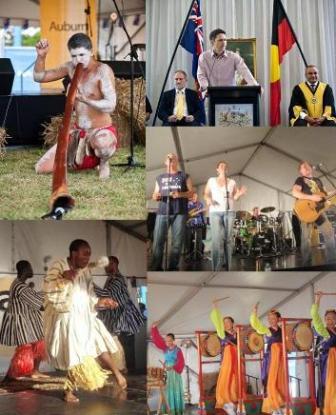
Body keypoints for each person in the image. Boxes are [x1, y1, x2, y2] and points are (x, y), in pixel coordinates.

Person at [43, 239, 126, 403]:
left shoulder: (87, 272)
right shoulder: (59, 266)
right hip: (69, 317)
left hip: (86, 316)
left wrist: (101, 302)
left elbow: (90, 295)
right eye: (85, 254)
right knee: (77, 356)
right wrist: (64, 277)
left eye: (89, 254)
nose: (88, 258)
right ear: (74, 253)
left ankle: (118, 374)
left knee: (99, 343)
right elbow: (48, 288)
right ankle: (68, 392)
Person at [33, 33, 117, 180]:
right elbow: (39, 77)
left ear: (91, 51)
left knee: (102, 144)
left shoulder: (102, 70)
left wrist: (84, 99)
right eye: (74, 55)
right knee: (41, 168)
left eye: (82, 55)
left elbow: (111, 105)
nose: (78, 60)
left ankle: (103, 162)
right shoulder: (70, 67)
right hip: (79, 132)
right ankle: (90, 160)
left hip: (100, 130)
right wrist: (41, 56)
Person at [94, 256, 145, 372]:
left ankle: (130, 375)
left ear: (115, 264)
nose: (106, 267)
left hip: (124, 320)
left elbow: (107, 293)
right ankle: (126, 372)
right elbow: (106, 298)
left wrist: (91, 285)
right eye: (106, 264)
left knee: (125, 348)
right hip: (117, 320)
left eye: (109, 264)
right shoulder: (111, 279)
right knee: (120, 348)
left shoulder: (117, 279)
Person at [0, 260, 48, 381]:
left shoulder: (21, 285)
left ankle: (35, 371)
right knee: (24, 349)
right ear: (25, 270)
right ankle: (9, 377)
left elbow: (34, 301)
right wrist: (48, 289)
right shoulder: (20, 286)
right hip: (22, 323)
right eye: (30, 268)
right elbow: (37, 302)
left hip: (30, 322)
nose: (32, 271)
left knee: (39, 344)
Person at [150, 153, 194, 271]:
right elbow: (154, 195)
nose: (171, 159)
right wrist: (156, 196)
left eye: (173, 158)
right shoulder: (160, 177)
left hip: (180, 212)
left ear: (177, 162)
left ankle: (172, 267)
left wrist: (180, 194)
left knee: (177, 243)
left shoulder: (185, 176)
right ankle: (156, 267)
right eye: (169, 158)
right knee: (158, 241)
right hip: (163, 212)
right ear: (165, 162)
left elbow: (191, 193)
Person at [204, 161, 247, 271]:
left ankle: (228, 267)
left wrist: (240, 193)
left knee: (228, 240)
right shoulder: (211, 180)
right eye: (221, 166)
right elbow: (206, 193)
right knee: (216, 240)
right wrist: (208, 199)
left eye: (225, 166)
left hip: (229, 212)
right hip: (215, 212)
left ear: (227, 170)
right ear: (217, 169)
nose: (223, 167)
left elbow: (235, 197)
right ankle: (216, 269)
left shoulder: (232, 182)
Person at [292, 160, 336, 265]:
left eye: (307, 166)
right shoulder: (300, 180)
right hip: (306, 211)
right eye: (303, 167)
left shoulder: (318, 180)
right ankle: (306, 264)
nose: (306, 168)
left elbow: (325, 194)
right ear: (300, 172)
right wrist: (312, 197)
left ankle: (332, 262)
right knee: (305, 238)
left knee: (329, 233)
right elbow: (295, 192)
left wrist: (334, 192)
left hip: (318, 211)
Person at [250, 304, 286, 415]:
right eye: (269, 318)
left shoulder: (283, 330)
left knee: (280, 381)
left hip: (281, 358)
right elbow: (256, 324)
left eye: (273, 318)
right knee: (270, 382)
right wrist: (255, 311)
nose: (271, 320)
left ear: (278, 319)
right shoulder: (267, 330)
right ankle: (274, 406)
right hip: (271, 358)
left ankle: (280, 405)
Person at [197, 28, 259, 92]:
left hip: (230, 95)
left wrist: (255, 86)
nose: (224, 42)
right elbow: (201, 75)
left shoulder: (234, 57)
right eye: (220, 40)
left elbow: (245, 72)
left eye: (225, 40)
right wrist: (205, 87)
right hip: (211, 95)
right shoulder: (204, 57)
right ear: (212, 41)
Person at [210, 299, 240, 415]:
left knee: (235, 379)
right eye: (224, 322)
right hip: (227, 357)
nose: (226, 324)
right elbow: (217, 321)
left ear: (232, 323)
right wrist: (215, 308)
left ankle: (234, 400)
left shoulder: (237, 332)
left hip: (236, 357)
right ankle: (226, 402)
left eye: (228, 322)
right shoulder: (222, 333)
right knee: (226, 378)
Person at [151, 322, 185, 415]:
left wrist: (173, 367)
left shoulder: (178, 350)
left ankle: (176, 410)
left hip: (174, 372)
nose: (168, 342)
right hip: (167, 371)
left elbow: (181, 362)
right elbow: (158, 341)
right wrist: (154, 328)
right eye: (166, 341)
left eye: (170, 340)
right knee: (167, 389)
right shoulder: (165, 348)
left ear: (174, 340)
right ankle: (168, 410)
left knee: (175, 389)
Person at [311, 291, 336, 415]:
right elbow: (315, 316)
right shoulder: (323, 331)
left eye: (332, 318)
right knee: (326, 386)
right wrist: (318, 299)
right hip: (327, 364)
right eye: (327, 318)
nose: (329, 320)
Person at [185, 193, 206, 258]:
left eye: (196, 197)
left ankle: (199, 253)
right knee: (189, 238)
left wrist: (203, 222)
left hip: (199, 223)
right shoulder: (188, 204)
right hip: (190, 223)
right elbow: (189, 214)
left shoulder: (200, 204)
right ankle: (189, 253)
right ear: (192, 197)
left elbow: (202, 214)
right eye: (194, 197)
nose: (195, 198)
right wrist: (198, 211)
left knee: (199, 239)